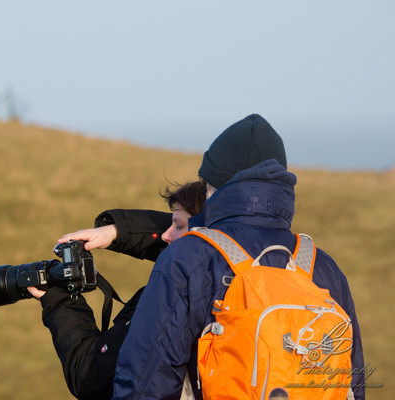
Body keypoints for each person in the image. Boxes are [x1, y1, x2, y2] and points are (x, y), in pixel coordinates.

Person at [112, 114, 365, 400]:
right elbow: (351, 384)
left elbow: (146, 383)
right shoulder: (323, 267)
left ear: (211, 188)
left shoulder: (188, 257)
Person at [27, 182, 206, 400]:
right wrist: (117, 230)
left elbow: (89, 377)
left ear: (202, 232)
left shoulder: (167, 299)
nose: (165, 236)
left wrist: (58, 299)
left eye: (177, 226)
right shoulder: (245, 271)